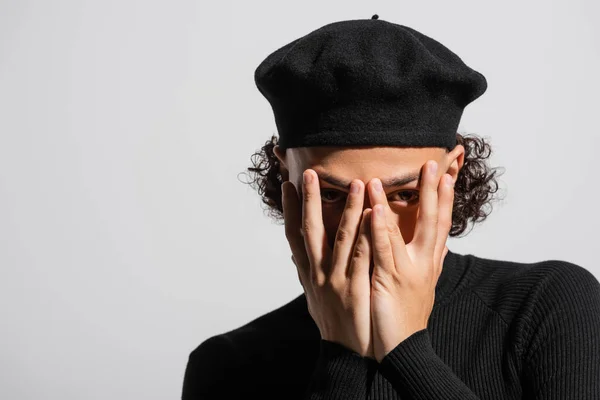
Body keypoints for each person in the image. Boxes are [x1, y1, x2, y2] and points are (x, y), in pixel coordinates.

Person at [181, 15, 600, 399]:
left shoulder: (550, 306)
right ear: (285, 173)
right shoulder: (227, 366)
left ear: (451, 173)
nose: (367, 227)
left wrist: (406, 349)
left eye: (403, 194)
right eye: (330, 194)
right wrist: (342, 354)